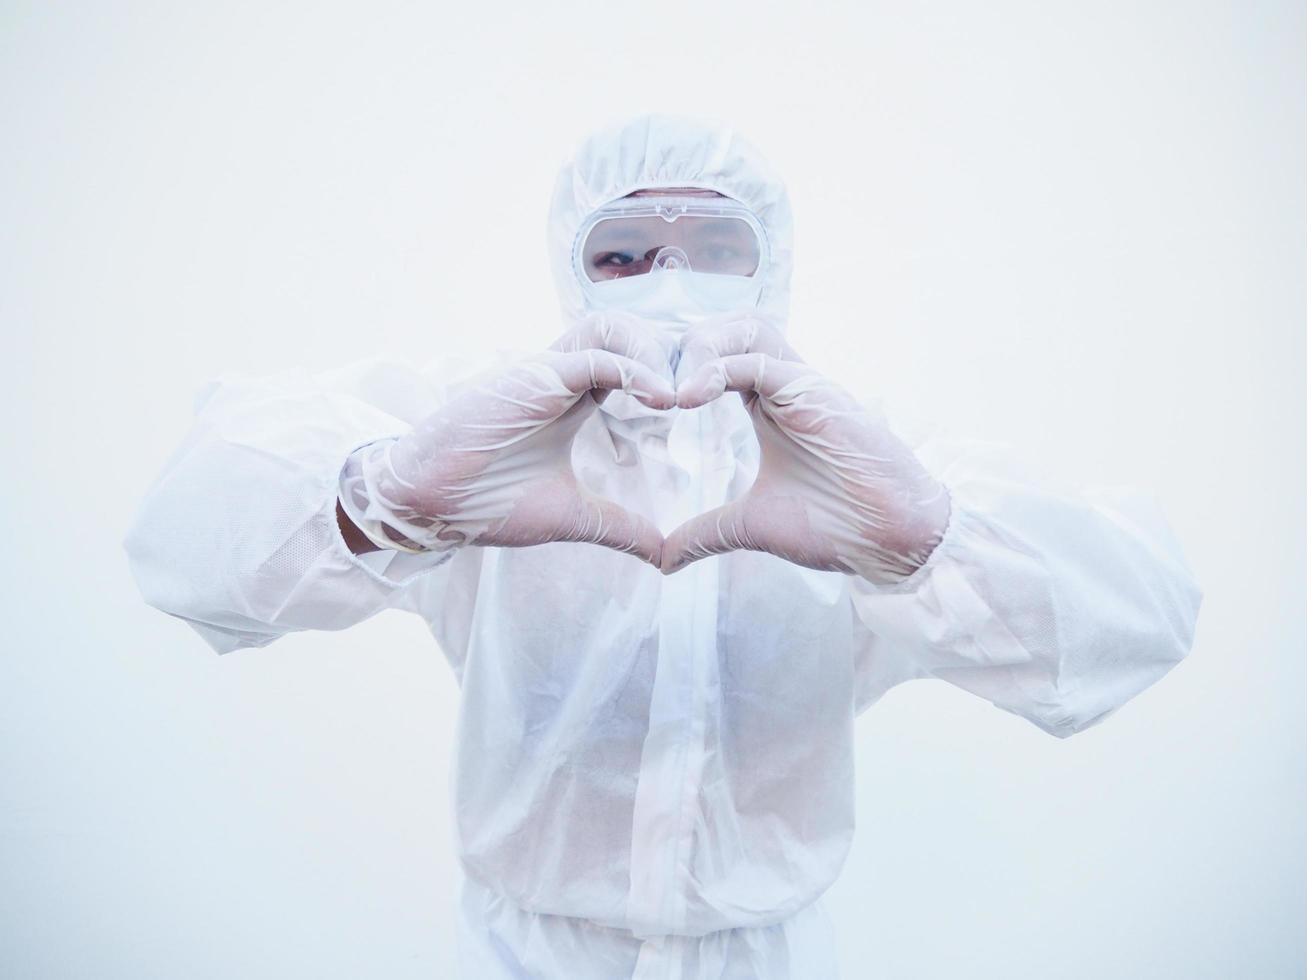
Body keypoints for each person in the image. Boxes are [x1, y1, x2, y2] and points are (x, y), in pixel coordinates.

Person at [124, 114, 1202, 979]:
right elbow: (185, 543)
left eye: (716, 247)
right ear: (571, 263)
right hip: (519, 952)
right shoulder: (484, 431)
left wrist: (927, 540)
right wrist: (382, 495)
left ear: (771, 263)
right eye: (626, 251)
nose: (669, 279)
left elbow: (1138, 616)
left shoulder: (859, 455)